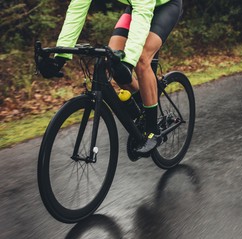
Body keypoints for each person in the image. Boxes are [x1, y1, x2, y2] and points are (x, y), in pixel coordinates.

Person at [38, 0, 183, 156]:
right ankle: (141, 100)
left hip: (164, 6)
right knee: (112, 61)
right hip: (137, 7)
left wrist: (128, 63)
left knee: (141, 60)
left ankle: (152, 131)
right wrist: (60, 58)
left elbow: (143, 13)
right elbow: (76, 10)